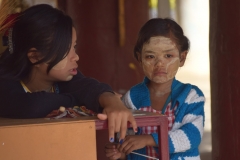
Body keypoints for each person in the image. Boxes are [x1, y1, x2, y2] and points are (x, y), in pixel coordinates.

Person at [0, 3, 138, 143]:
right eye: (66, 50)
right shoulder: (4, 83)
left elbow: (87, 86)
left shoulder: (65, 78)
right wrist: (81, 102)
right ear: (35, 57)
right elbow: (32, 106)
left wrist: (111, 100)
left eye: (74, 46)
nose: (76, 57)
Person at [105, 18, 205, 160]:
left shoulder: (191, 97)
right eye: (151, 56)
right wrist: (120, 153)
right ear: (140, 58)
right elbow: (127, 141)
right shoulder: (131, 98)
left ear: (182, 58)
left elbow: (192, 135)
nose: (159, 63)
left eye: (168, 56)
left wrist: (149, 139)